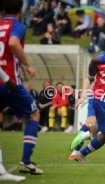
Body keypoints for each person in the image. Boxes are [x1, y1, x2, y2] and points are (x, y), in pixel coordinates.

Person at [0, 0, 43, 175]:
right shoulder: (17, 25)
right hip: (9, 81)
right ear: (20, 9)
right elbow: (13, 43)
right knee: (33, 114)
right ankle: (25, 162)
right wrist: (28, 65)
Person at [69, 33, 105, 160]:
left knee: (100, 127)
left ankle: (79, 145)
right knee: (90, 123)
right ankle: (75, 152)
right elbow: (89, 78)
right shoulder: (100, 58)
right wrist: (82, 96)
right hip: (96, 97)